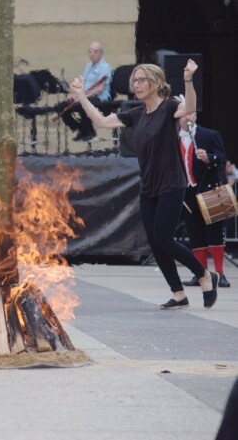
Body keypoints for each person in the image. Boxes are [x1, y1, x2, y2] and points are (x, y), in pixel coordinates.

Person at [71, 60, 219, 309]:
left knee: (163, 239)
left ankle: (204, 274)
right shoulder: (136, 114)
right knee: (155, 242)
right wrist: (81, 97)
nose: (136, 85)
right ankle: (179, 294)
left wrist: (188, 80)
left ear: (156, 83)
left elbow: (192, 105)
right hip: (148, 187)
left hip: (172, 185)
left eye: (141, 80)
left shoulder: (170, 107)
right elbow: (102, 122)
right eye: (135, 81)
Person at [174, 108, 230, 288]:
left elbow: (222, 158)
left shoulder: (210, 135)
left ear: (196, 116)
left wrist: (209, 157)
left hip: (211, 188)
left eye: (192, 113)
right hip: (187, 192)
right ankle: (201, 274)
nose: (189, 117)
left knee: (215, 232)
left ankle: (219, 274)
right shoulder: (173, 139)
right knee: (195, 233)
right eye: (185, 114)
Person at [59, 41, 112, 141]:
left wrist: (82, 97)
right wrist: (75, 95)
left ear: (101, 53)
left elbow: (100, 89)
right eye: (90, 52)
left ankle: (89, 131)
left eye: (96, 52)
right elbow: (82, 85)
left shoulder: (105, 67)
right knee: (61, 107)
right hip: (85, 95)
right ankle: (80, 129)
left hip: (99, 98)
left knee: (82, 105)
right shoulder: (88, 66)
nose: (92, 54)